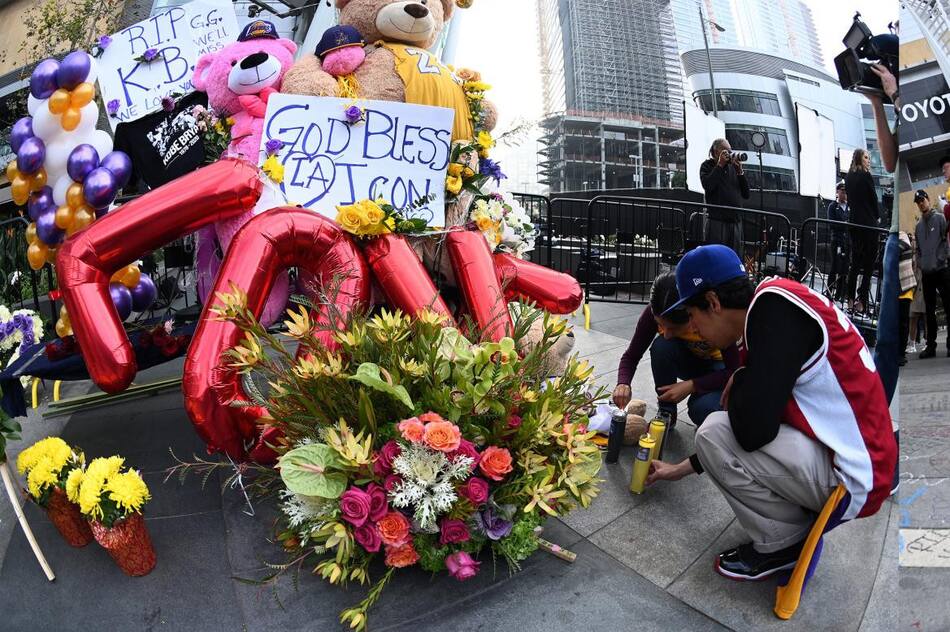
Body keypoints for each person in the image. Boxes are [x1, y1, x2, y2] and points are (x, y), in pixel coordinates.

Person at [646, 245, 896, 581]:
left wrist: (743, 377)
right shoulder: (773, 302)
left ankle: (783, 544)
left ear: (714, 302)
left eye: (693, 314)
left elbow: (753, 432)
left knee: (713, 430)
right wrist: (680, 469)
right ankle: (791, 527)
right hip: (857, 459)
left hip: (855, 478)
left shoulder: (772, 310)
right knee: (721, 426)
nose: (693, 327)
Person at [612, 272, 740, 427]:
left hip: (718, 368)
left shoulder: (711, 318)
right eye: (660, 325)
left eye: (673, 328)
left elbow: (734, 371)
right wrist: (623, 383)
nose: (666, 333)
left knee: (702, 409)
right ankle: (667, 412)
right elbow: (631, 356)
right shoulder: (653, 313)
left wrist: (693, 385)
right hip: (689, 361)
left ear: (691, 315)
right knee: (661, 346)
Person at [913, 189, 950, 358]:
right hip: (927, 273)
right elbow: (918, 250)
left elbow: (946, 241)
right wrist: (922, 264)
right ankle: (931, 346)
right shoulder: (918, 227)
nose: (921, 203)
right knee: (929, 310)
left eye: (922, 200)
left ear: (928, 199)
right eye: (918, 202)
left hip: (942, 269)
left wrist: (940, 259)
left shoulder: (940, 218)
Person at [844, 149, 881, 314]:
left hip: (854, 223)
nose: (869, 161)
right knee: (868, 266)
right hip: (869, 225)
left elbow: (852, 201)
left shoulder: (848, 177)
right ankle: (862, 302)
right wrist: (878, 217)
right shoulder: (866, 176)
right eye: (866, 157)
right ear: (860, 158)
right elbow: (874, 199)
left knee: (855, 264)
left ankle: (850, 300)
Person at [699, 138, 749, 256]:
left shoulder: (733, 168)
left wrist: (740, 173)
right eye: (726, 151)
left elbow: (746, 194)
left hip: (735, 221)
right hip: (717, 221)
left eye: (730, 151)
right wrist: (720, 165)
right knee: (716, 255)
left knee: (733, 256)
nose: (729, 154)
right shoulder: (707, 166)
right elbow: (708, 185)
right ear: (716, 152)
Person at [827, 182, 850, 302]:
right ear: (837, 192)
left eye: (845, 191)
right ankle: (829, 291)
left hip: (847, 242)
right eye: (842, 191)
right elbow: (832, 224)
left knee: (844, 269)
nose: (844, 194)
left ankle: (840, 295)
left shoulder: (850, 207)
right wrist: (843, 225)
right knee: (834, 266)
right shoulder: (833, 206)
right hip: (836, 240)